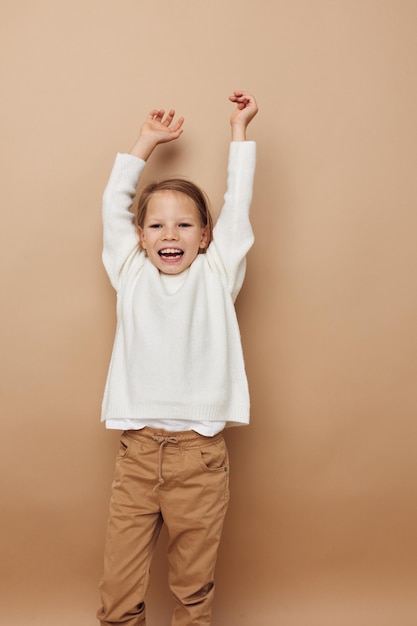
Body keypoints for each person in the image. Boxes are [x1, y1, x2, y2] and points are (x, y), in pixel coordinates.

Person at [97, 91, 258, 626]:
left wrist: (239, 130)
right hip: (138, 454)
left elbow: (239, 203)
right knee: (118, 594)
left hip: (200, 458)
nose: (171, 235)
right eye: (158, 226)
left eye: (185, 225)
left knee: (193, 592)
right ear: (140, 237)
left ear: (207, 236)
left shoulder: (217, 275)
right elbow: (112, 205)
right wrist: (145, 142)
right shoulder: (130, 271)